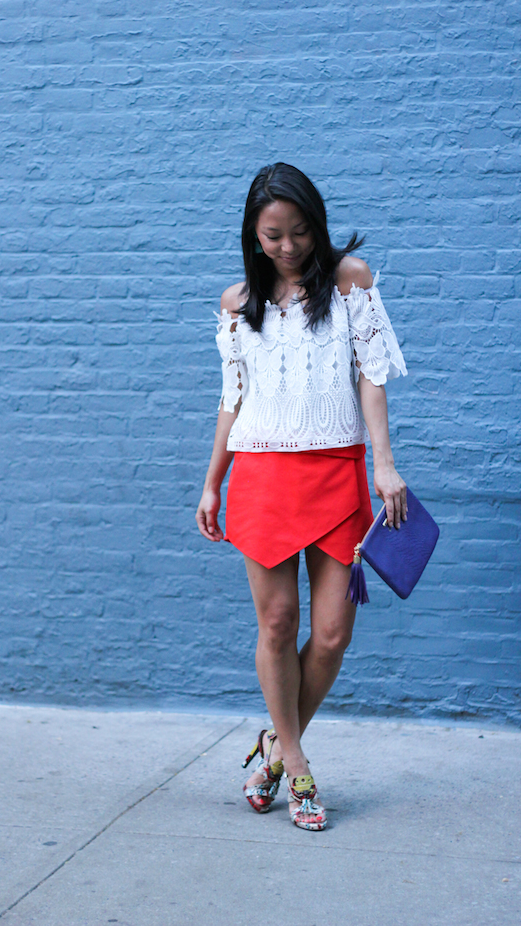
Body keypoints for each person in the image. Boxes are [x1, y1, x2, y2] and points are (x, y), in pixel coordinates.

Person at [195, 163, 408, 831]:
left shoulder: (351, 284)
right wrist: (211, 481)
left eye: (298, 232)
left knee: (334, 633)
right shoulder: (236, 304)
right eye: (272, 236)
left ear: (316, 225)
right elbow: (233, 401)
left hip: (336, 470)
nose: (287, 247)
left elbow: (372, 379)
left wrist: (385, 465)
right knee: (279, 623)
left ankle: (273, 748)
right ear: (253, 238)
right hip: (260, 474)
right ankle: (297, 764)